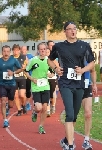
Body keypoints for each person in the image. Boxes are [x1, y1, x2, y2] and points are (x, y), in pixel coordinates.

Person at [48, 21, 95, 150]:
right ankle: (70, 145)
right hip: (65, 83)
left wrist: (83, 70)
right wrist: (56, 69)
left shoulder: (84, 45)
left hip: (79, 84)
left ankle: (65, 140)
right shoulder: (59, 46)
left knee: (74, 116)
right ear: (65, 31)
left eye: (75, 29)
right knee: (69, 113)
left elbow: (92, 63)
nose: (73, 31)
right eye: (70, 29)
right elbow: (50, 60)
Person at [0, 45, 23, 127]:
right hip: (2, 84)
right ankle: (5, 120)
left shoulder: (14, 60)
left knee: (11, 104)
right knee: (3, 100)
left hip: (12, 84)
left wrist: (13, 73)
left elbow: (20, 69)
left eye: (7, 51)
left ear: (10, 52)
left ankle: (8, 107)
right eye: (4, 51)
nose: (6, 53)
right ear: (2, 52)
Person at [24, 42, 51, 134]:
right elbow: (26, 71)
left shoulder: (48, 60)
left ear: (46, 50)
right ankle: (35, 112)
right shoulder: (33, 60)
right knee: (39, 108)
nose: (43, 51)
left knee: (44, 108)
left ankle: (41, 126)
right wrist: (32, 78)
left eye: (44, 49)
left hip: (45, 86)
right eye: (41, 49)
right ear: (38, 50)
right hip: (36, 87)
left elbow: (52, 72)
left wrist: (50, 74)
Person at [81, 67, 97, 150]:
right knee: (72, 115)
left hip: (86, 86)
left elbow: (93, 70)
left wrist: (94, 84)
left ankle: (86, 140)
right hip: (73, 87)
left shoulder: (88, 56)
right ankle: (68, 138)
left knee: (88, 113)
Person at [12, 44, 27, 116]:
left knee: (21, 95)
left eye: (17, 50)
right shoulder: (10, 58)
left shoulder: (23, 57)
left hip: (22, 78)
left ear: (19, 51)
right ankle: (19, 110)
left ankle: (23, 105)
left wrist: (25, 67)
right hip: (13, 78)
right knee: (15, 96)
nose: (15, 52)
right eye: (14, 50)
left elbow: (29, 65)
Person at [21, 46, 34, 111]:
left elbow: (33, 65)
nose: (23, 51)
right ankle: (22, 104)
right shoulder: (18, 57)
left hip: (28, 75)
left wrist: (27, 61)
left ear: (27, 50)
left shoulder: (30, 56)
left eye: (24, 50)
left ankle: (28, 103)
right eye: (22, 50)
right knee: (21, 92)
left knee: (28, 91)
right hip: (20, 76)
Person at [46, 48, 58, 116]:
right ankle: (47, 110)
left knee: (52, 94)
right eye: (46, 52)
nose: (47, 53)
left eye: (48, 52)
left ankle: (53, 105)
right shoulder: (42, 60)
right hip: (45, 79)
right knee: (46, 93)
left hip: (53, 78)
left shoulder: (54, 60)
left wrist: (53, 73)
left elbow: (58, 68)